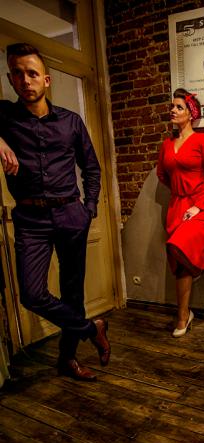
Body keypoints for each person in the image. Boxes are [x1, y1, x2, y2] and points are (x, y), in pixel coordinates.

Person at [0, 43, 110, 381]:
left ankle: (68, 359)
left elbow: (91, 168)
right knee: (32, 294)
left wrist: (88, 209)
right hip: (30, 219)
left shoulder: (71, 121)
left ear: (46, 80)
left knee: (72, 291)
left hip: (70, 214)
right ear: (10, 78)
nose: (25, 80)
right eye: (18, 73)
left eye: (32, 73)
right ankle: (91, 328)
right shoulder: (4, 116)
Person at [157, 88, 204, 337]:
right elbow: (162, 175)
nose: (173, 110)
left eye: (179, 107)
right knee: (178, 259)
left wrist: (197, 204)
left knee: (180, 245)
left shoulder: (202, 140)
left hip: (201, 206)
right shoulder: (166, 145)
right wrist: (179, 192)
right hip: (177, 206)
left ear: (191, 113)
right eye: (172, 106)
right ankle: (183, 315)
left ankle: (196, 271)